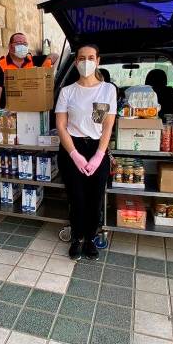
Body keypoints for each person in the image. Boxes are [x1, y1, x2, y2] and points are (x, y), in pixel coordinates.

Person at [55, 44, 117, 261]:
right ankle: (76, 238)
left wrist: (99, 155)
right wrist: (74, 154)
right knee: (77, 197)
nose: (86, 62)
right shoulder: (67, 91)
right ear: (75, 62)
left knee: (95, 197)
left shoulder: (108, 90)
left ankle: (90, 238)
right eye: (81, 58)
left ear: (98, 61)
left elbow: (107, 125)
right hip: (72, 148)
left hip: (97, 147)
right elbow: (61, 126)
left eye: (91, 57)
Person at [0, 32, 53, 109]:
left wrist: (45, 66)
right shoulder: (0, 64)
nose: (22, 46)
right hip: (9, 112)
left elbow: (54, 56)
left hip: (31, 109)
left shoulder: (31, 60)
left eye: (25, 44)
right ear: (10, 46)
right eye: (18, 43)